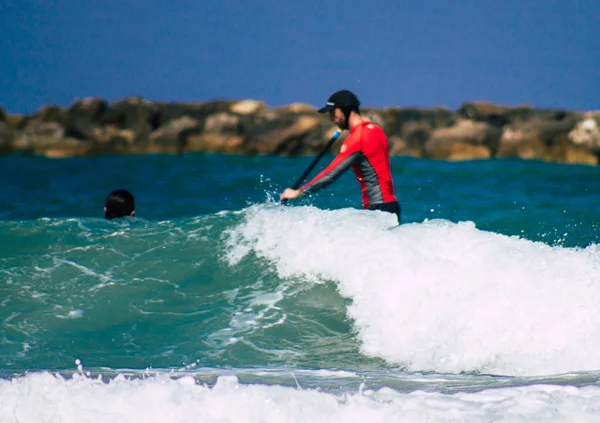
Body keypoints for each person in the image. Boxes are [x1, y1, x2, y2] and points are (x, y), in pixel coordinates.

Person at [280, 89, 401, 223]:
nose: (331, 119)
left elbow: (330, 174)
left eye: (333, 112)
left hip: (378, 208)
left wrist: (298, 193)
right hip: (391, 206)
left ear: (346, 110)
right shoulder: (375, 130)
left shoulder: (357, 137)